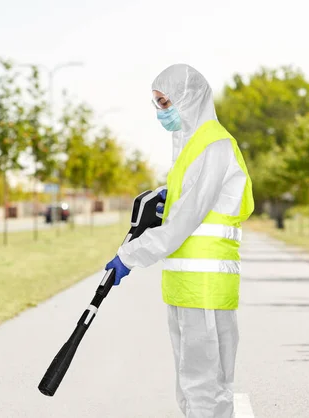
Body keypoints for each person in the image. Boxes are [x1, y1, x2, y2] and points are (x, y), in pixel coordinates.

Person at [105, 63, 254, 418]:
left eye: (166, 102)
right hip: (185, 288)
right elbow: (181, 207)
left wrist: (130, 255)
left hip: (205, 288)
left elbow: (184, 223)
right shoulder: (191, 149)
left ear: (189, 99)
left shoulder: (214, 146)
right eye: (157, 104)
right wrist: (163, 199)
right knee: (192, 385)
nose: (161, 112)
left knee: (205, 387)